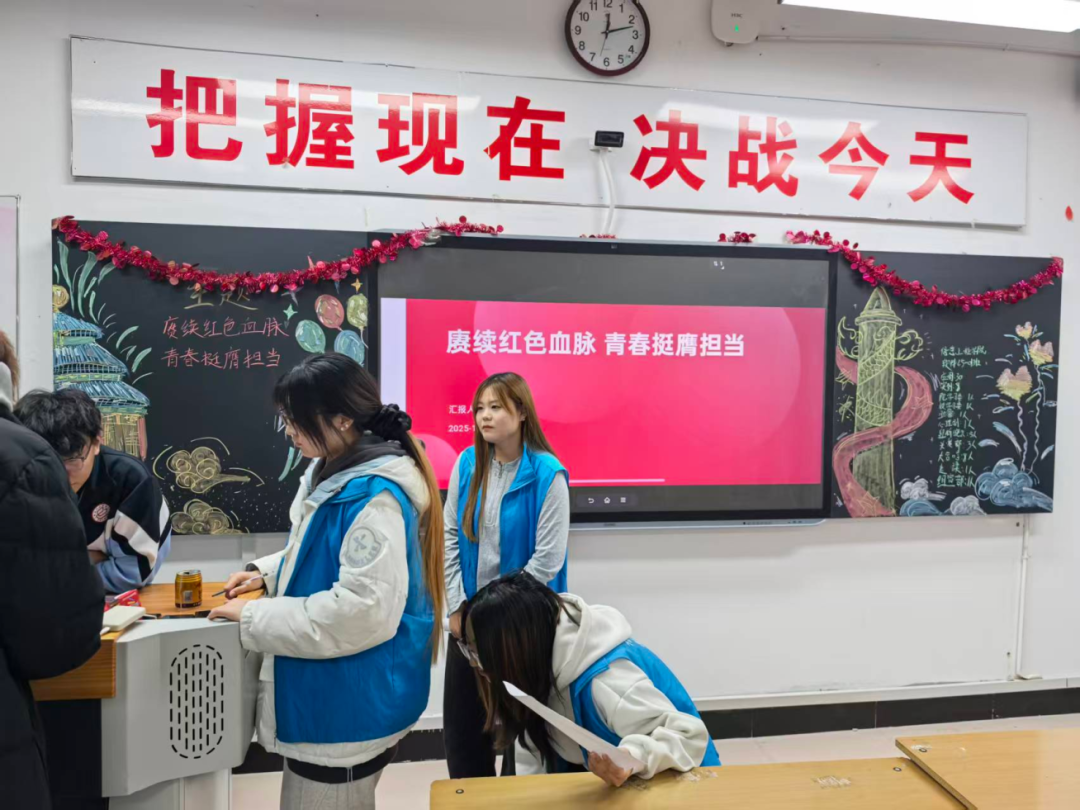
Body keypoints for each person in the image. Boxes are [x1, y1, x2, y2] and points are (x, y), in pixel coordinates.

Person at [209, 353, 445, 810]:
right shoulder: (333, 472)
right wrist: (267, 574)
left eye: (295, 420)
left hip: (345, 711)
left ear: (342, 420)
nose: (289, 431)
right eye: (285, 419)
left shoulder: (373, 498)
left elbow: (360, 612)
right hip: (337, 699)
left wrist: (254, 617)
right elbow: (322, 551)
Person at [461, 571, 721, 785]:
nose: (474, 662)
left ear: (512, 650)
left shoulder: (605, 680)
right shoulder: (535, 674)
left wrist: (631, 756)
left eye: (476, 651)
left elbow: (689, 736)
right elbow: (532, 758)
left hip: (690, 783)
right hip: (631, 788)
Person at [442, 372, 570, 779]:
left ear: (522, 412)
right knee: (463, 733)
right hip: (467, 623)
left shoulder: (548, 474)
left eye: (495, 407)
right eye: (479, 408)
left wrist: (497, 617)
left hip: (522, 628)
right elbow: (448, 538)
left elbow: (547, 561)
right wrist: (457, 609)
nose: (485, 416)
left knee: (526, 738)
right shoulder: (467, 464)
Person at [0, 333, 105, 809]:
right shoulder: (21, 457)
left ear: (97, 443)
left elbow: (139, 561)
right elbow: (56, 635)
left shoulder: (128, 478)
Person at [15, 388, 171, 593]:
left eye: (71, 459)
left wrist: (53, 568)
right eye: (47, 462)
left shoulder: (131, 481)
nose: (59, 474)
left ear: (97, 442)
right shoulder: (19, 474)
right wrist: (92, 558)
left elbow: (132, 573)